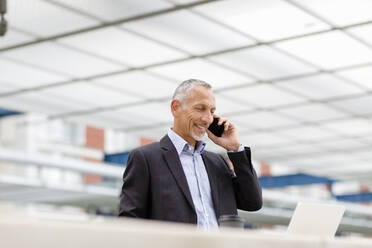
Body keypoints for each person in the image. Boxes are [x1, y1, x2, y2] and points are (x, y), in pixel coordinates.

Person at [118, 79, 262, 229]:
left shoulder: (217, 162)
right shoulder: (146, 158)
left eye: (212, 111)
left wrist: (234, 148)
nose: (207, 119)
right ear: (175, 108)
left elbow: (253, 202)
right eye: (200, 108)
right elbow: (128, 223)